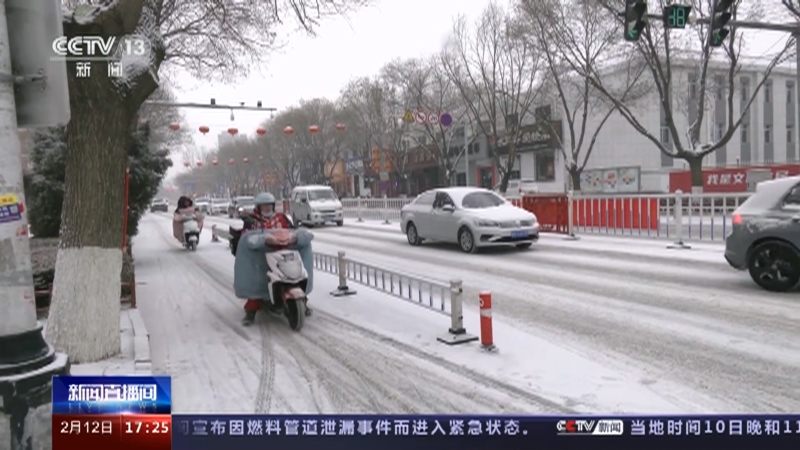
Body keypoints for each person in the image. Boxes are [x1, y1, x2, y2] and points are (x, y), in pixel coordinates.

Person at [233, 192, 315, 325]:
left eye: (269, 206)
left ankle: (302, 302)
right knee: (257, 283)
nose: (267, 209)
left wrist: (294, 237)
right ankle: (250, 312)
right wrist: (262, 240)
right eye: (264, 207)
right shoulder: (252, 220)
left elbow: (292, 230)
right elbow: (247, 237)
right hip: (261, 256)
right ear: (258, 208)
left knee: (295, 274)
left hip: (283, 252)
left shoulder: (281, 218)